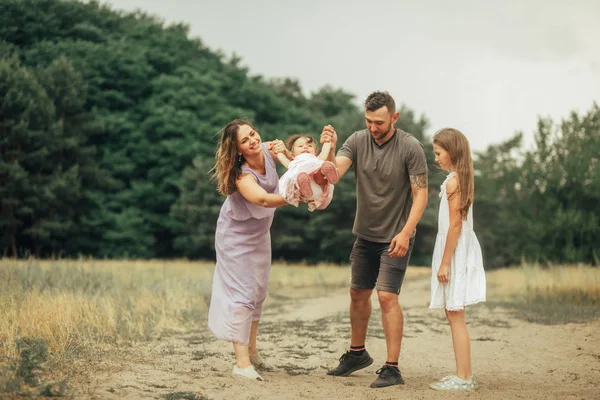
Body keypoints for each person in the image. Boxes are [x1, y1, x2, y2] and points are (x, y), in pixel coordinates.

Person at [322, 91, 429, 388]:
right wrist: (328, 148)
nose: (373, 127)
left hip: (396, 236)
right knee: (358, 293)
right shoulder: (356, 140)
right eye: (368, 121)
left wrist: (406, 232)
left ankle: (392, 368)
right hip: (365, 235)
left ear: (394, 117)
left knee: (386, 296)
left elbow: (421, 194)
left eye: (379, 122)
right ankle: (357, 354)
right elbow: (333, 174)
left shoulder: (410, 147)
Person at [207, 118, 289, 382]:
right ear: (238, 149)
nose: (253, 140)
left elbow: (291, 154)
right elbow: (263, 199)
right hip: (235, 238)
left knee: (258, 293)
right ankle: (241, 364)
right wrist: (296, 195)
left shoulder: (265, 149)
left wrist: (286, 151)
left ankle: (252, 352)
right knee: (242, 295)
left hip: (259, 234)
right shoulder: (241, 175)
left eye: (253, 134)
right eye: (245, 140)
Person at [428, 128, 486, 391]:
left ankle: (464, 378)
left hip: (454, 250)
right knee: (454, 314)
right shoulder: (457, 179)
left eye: (439, 153)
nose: (436, 158)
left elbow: (455, 227)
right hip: (455, 248)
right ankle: (463, 374)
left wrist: (444, 262)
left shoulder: (454, 182)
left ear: (452, 152)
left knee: (455, 314)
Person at [276, 133, 339, 211]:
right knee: (296, 177)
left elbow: (324, 151)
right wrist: (278, 151)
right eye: (300, 146)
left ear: (315, 152)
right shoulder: (293, 164)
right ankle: (304, 185)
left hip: (318, 185)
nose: (305, 147)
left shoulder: (316, 160)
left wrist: (327, 141)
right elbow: (282, 158)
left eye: (309, 146)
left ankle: (329, 173)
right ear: (292, 155)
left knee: (321, 169)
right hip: (307, 188)